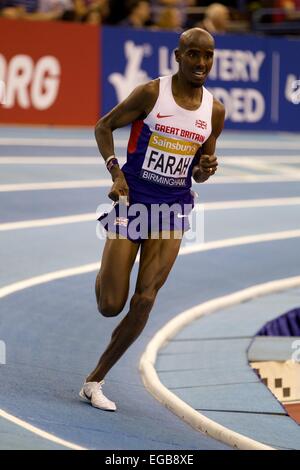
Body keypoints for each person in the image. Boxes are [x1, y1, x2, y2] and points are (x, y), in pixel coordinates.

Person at [79, 27, 225, 411]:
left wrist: (206, 168)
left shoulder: (214, 110)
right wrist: (115, 171)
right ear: (178, 56)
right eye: (193, 54)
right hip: (134, 202)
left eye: (208, 56)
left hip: (173, 210)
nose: (201, 63)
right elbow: (103, 126)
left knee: (144, 300)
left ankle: (95, 380)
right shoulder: (151, 94)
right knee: (111, 304)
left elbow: (198, 170)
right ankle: (108, 269)